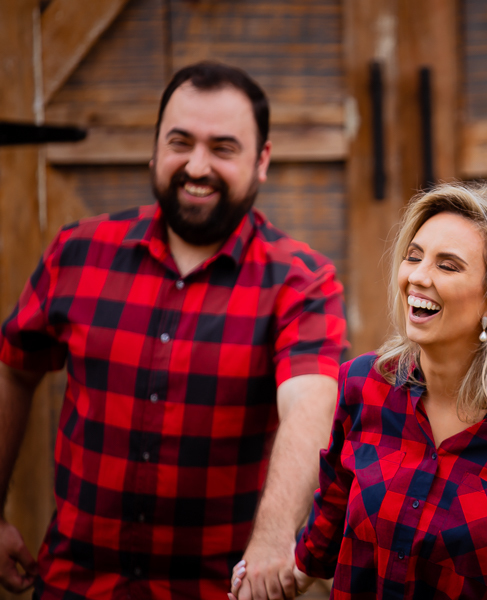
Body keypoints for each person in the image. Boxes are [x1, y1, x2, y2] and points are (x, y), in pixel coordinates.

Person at [0, 62, 347, 599]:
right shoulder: (77, 252)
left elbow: (310, 403)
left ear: (262, 162)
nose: (197, 165)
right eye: (180, 142)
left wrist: (274, 543)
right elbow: (13, 368)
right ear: (154, 150)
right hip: (74, 585)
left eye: (223, 148)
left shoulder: (301, 281)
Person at [232, 182, 487, 599]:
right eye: (414, 256)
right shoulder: (363, 387)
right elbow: (330, 522)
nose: (417, 276)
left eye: (447, 266)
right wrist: (273, 578)